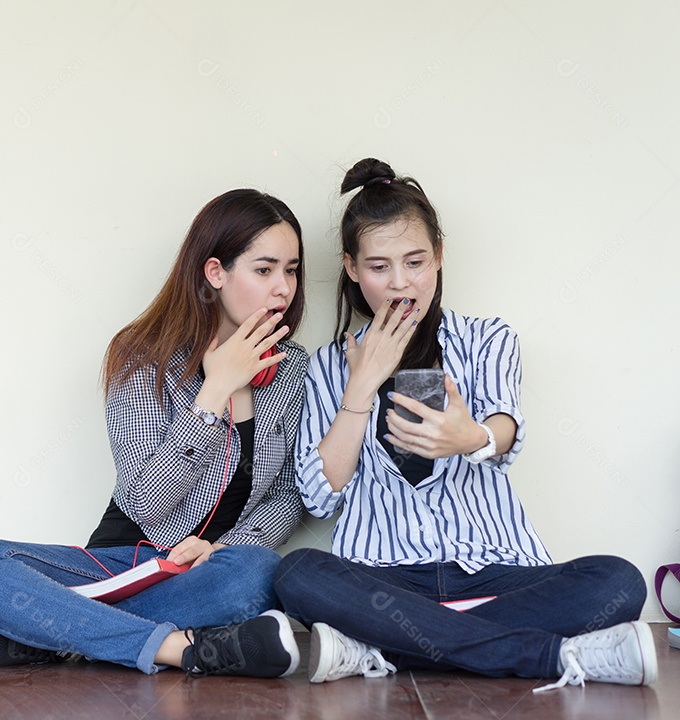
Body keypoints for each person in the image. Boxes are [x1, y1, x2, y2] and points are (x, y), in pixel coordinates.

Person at [275, 158, 655, 692]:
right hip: (384, 579)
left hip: (496, 572)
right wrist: (359, 391)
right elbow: (319, 497)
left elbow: (504, 429)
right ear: (352, 268)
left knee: (618, 581)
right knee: (296, 575)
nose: (401, 283)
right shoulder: (326, 366)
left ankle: (382, 649)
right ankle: (549, 655)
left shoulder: (487, 338)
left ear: (440, 256)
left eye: (415, 262)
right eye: (379, 267)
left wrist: (471, 437)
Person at [0, 189, 310, 678]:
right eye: (264, 270)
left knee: (260, 574)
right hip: (120, 564)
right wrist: (214, 390)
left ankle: (46, 635)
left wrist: (226, 548)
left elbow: (289, 492)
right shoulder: (142, 356)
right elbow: (146, 502)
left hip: (205, 574)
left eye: (291, 269)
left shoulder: (292, 370)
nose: (283, 287)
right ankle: (183, 649)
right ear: (215, 272)